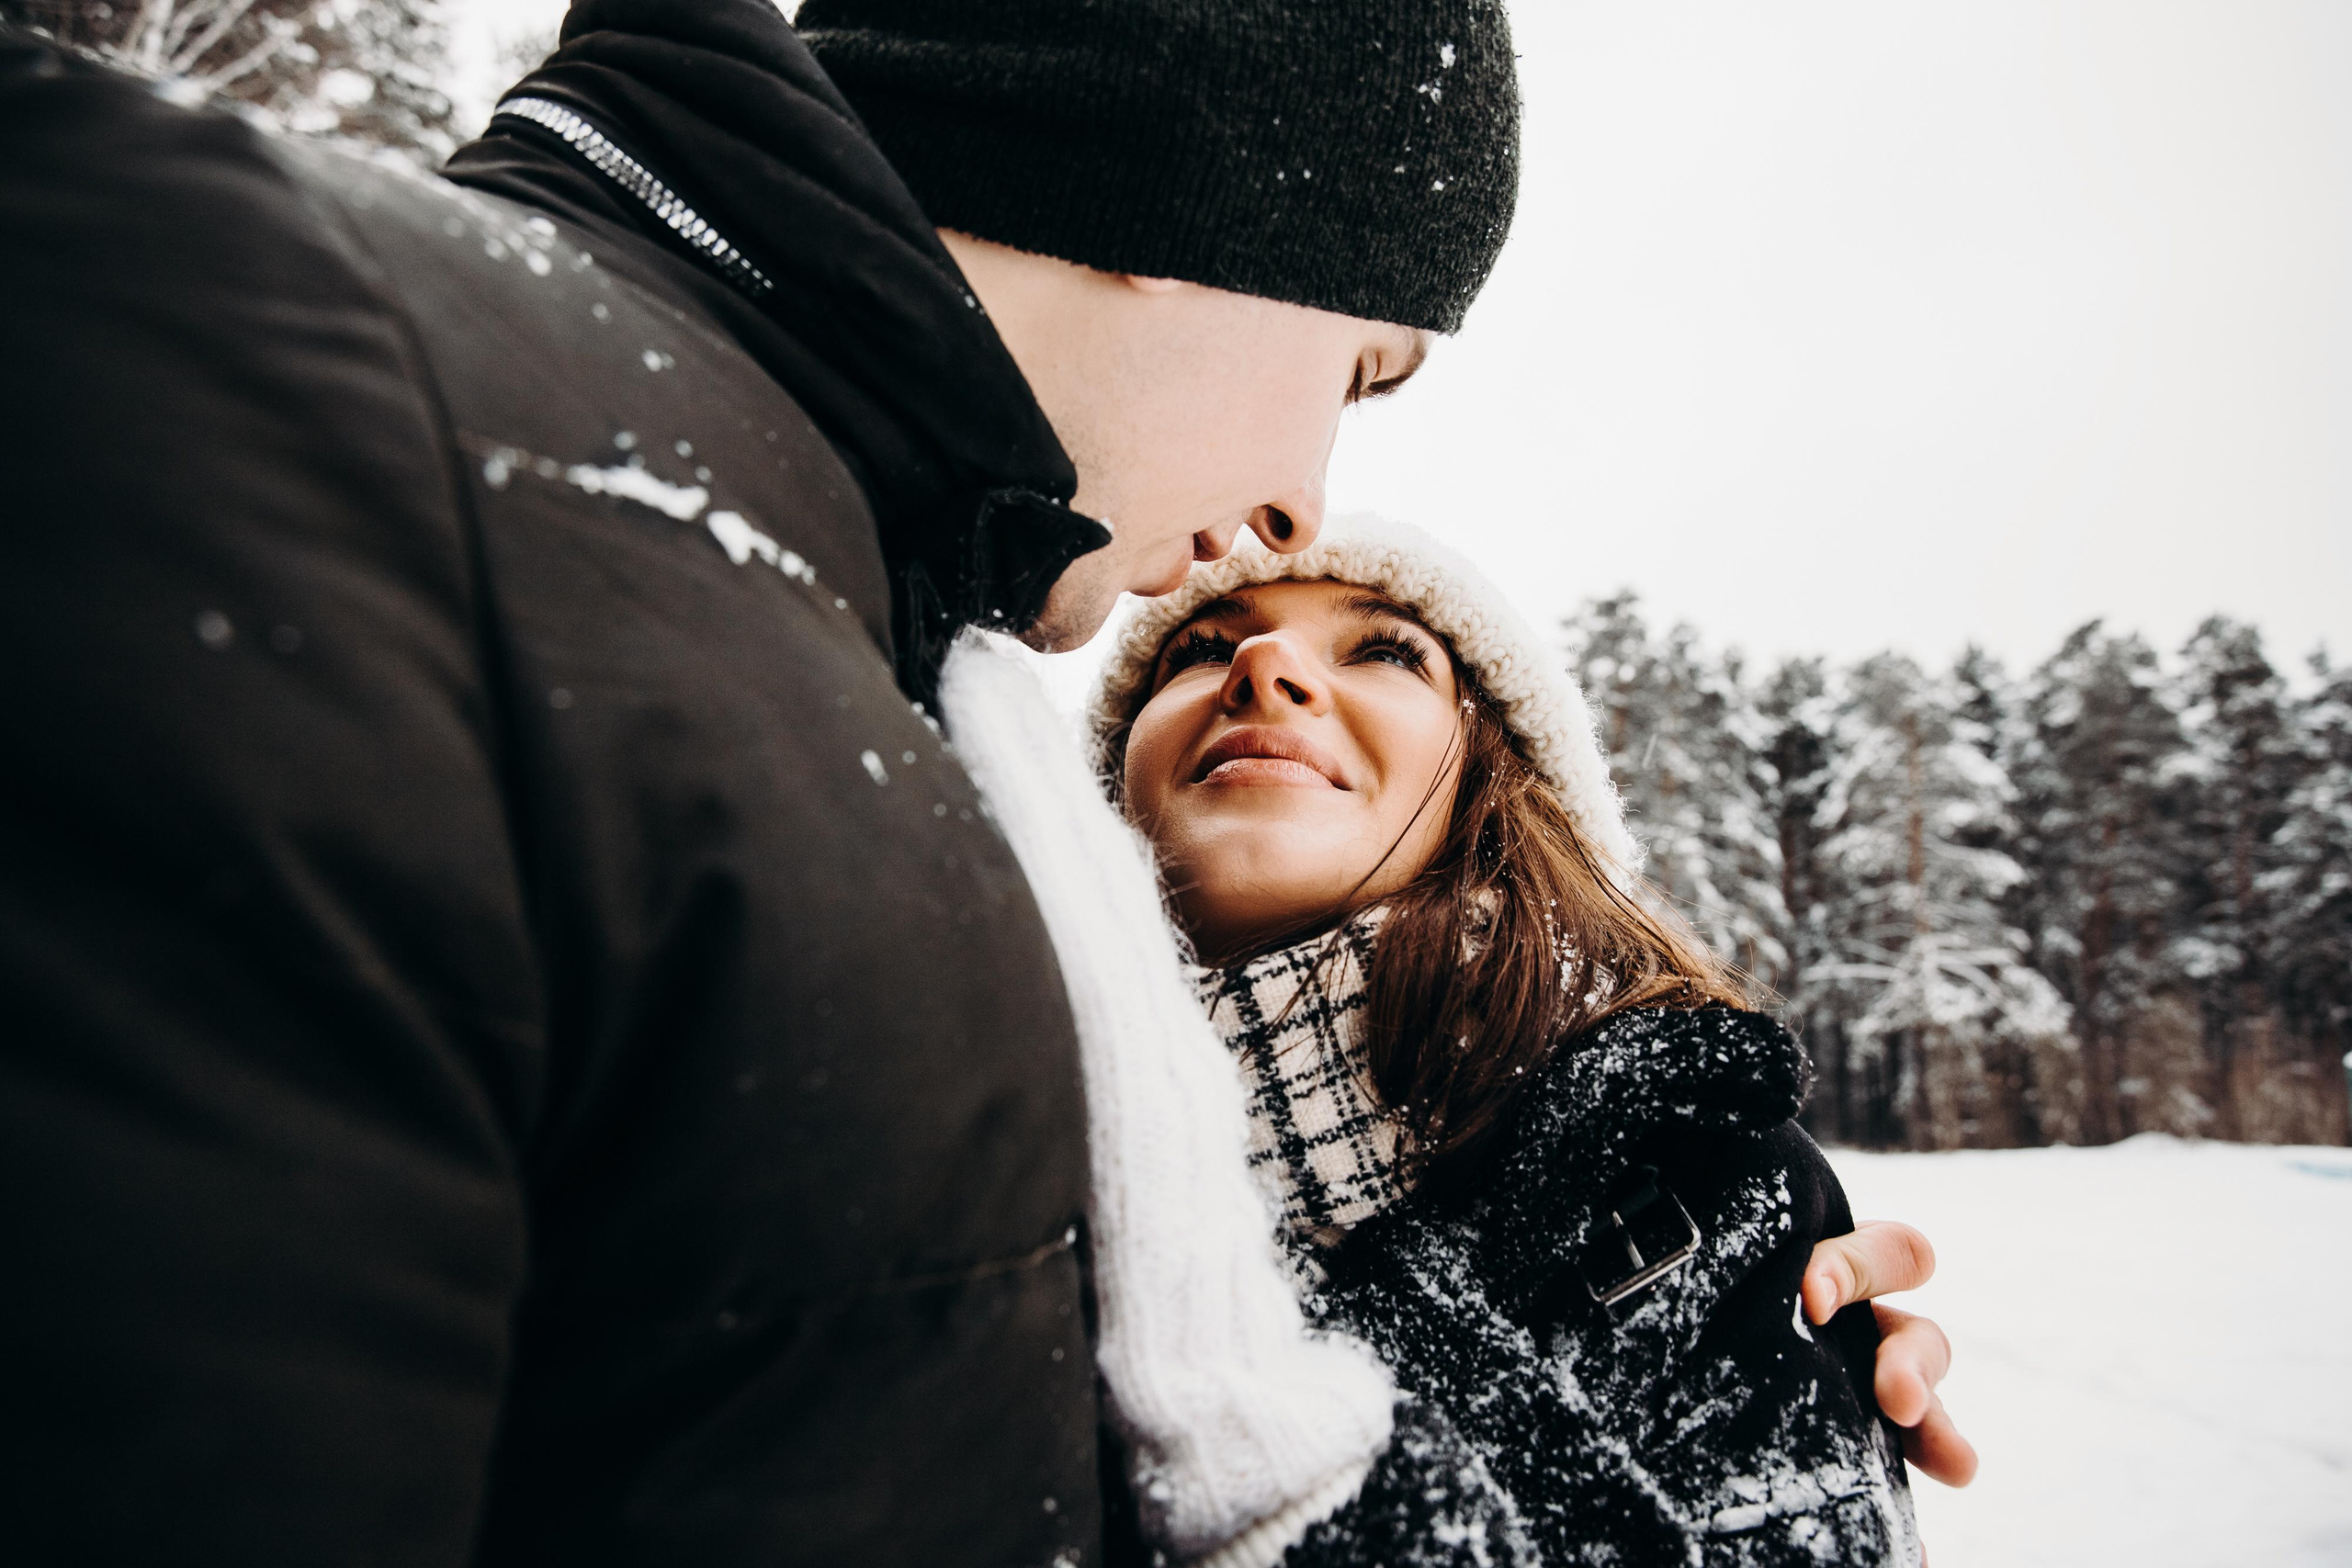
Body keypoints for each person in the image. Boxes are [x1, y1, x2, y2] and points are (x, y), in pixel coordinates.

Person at [0, 0, 1962, 1561]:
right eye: (1360, 370)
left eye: (1386, 649)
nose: (1295, 517)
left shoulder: (852, 654)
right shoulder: (310, 402)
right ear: (1205, 200)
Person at [1069, 518, 1934, 1563]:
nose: (1261, 665)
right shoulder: (948, 1142)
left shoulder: (1685, 1170)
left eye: (1384, 651)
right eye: (1199, 650)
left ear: (1490, 784)